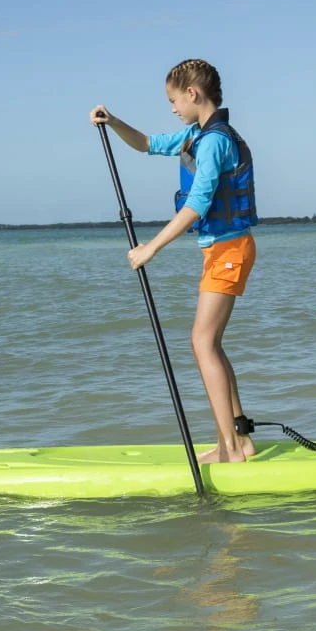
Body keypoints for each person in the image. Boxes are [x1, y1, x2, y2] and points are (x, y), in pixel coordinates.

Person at [90, 59, 259, 464]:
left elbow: (198, 204)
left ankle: (230, 449)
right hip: (222, 250)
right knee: (210, 344)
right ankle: (240, 440)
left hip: (229, 251)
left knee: (202, 343)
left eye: (173, 100)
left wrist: (151, 247)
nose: (172, 108)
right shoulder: (195, 135)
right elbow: (147, 143)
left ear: (192, 94)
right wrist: (114, 122)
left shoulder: (214, 142)